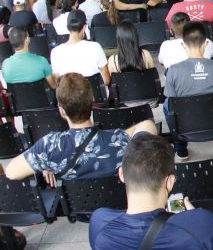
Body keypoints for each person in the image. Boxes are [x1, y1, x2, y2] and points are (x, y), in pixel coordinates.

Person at [89, 133, 213, 250]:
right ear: (170, 182)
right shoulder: (201, 224)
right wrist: (197, 220)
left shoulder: (99, 225)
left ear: (122, 174)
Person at [6, 73, 156, 187]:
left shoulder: (49, 147)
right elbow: (148, 125)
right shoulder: (118, 140)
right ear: (92, 103)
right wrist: (127, 133)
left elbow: (11, 172)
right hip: (116, 205)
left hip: (79, 209)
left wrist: (45, 163)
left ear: (62, 111)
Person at [164, 22, 213, 160]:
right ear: (206, 44)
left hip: (185, 130)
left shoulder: (173, 70)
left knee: (167, 104)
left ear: (183, 45)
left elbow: (172, 106)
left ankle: (180, 148)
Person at [50, 10, 110, 85]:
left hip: (68, 96)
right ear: (84, 27)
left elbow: (57, 82)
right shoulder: (95, 47)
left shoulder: (55, 52)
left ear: (67, 28)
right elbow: (106, 80)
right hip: (94, 95)